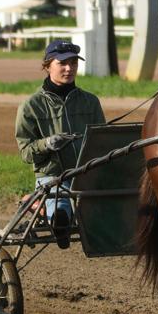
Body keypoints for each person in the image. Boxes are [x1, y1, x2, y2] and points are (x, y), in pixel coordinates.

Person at [13, 38, 104, 241]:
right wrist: (47, 143)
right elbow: (26, 153)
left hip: (86, 175)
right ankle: (39, 205)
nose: (69, 68)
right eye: (62, 63)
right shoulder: (31, 106)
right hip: (53, 178)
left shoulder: (90, 102)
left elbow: (102, 143)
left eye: (73, 63)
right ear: (47, 66)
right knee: (62, 222)